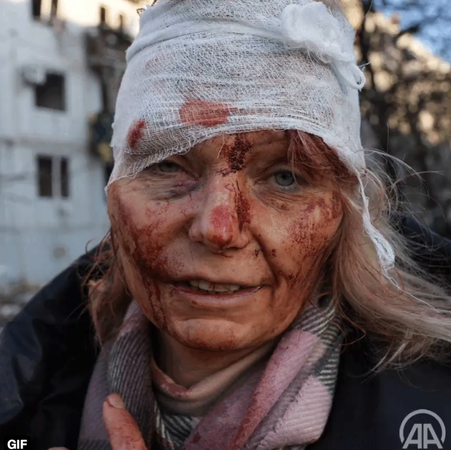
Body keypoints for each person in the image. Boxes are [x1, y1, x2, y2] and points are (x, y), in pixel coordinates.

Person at [1, 1, 451, 449]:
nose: (218, 229)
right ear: (115, 190)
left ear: (343, 213)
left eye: (285, 177)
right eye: (168, 165)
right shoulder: (25, 403)